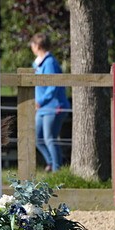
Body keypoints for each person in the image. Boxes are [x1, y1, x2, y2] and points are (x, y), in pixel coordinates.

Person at [30, 33, 71, 172]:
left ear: (38, 46)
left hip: (53, 107)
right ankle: (51, 162)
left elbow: (53, 86)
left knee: (49, 138)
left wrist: (40, 101)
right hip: (42, 108)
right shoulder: (37, 63)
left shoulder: (50, 63)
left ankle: (57, 169)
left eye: (33, 45)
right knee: (37, 138)